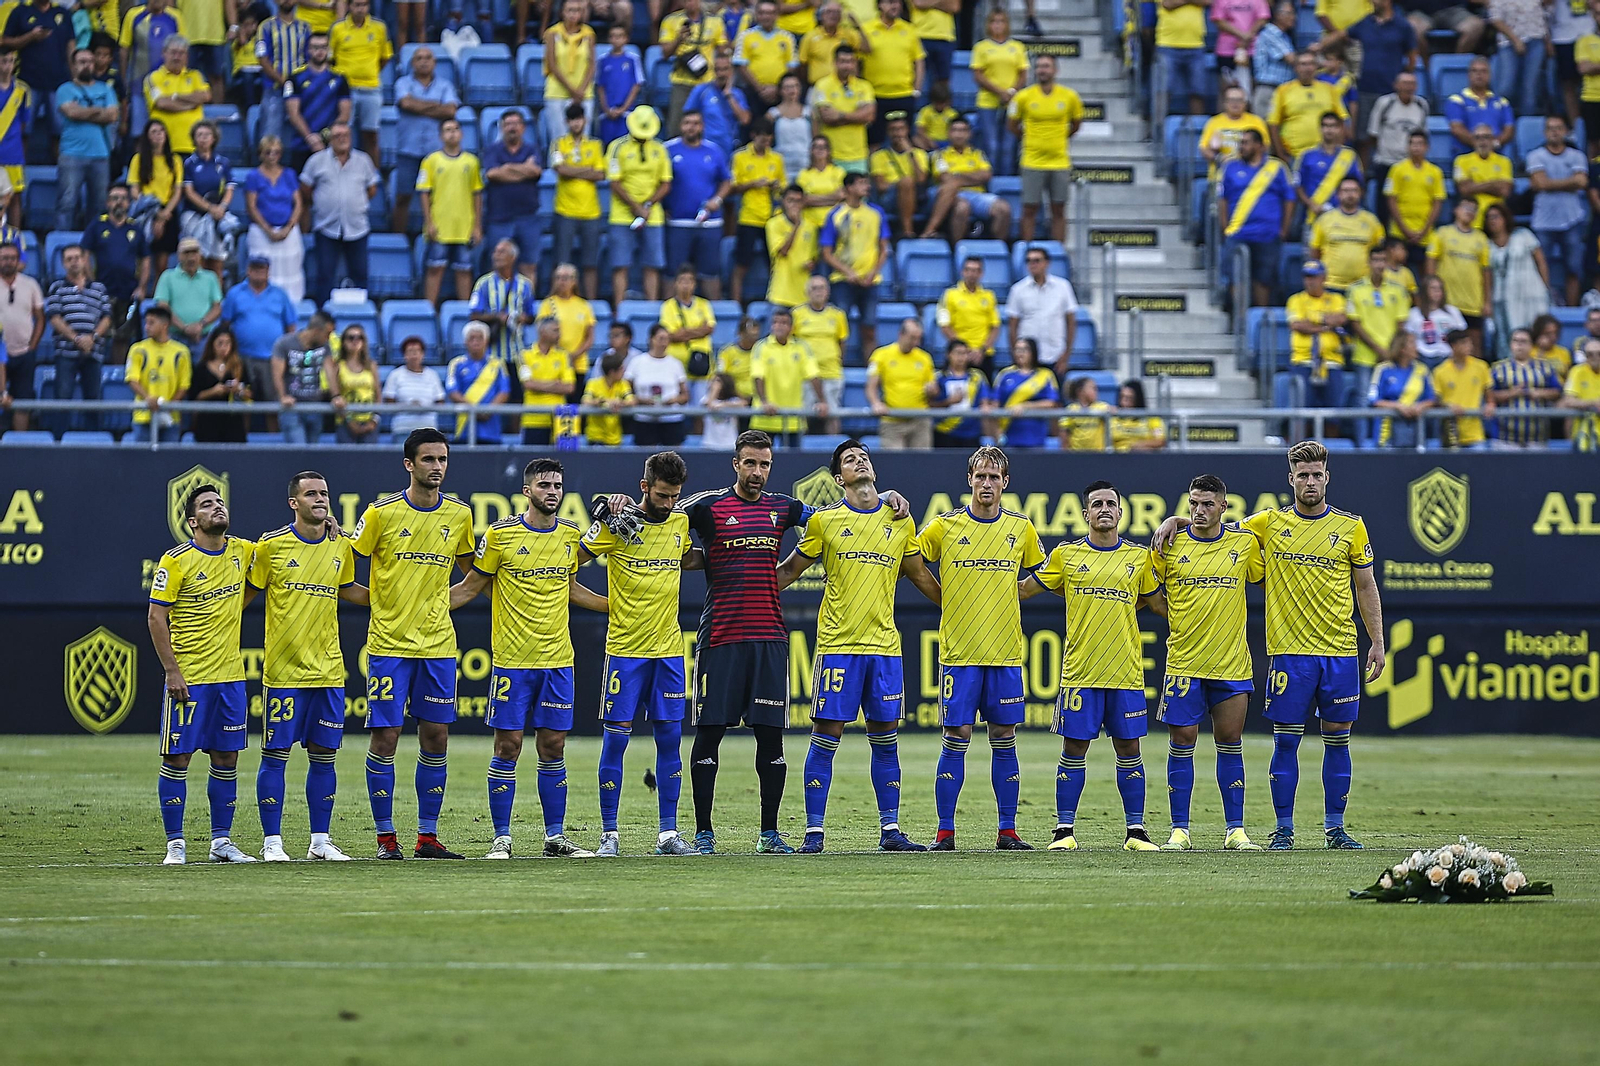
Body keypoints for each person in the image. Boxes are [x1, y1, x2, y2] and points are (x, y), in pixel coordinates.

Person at [1154, 440, 1384, 851]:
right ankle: (1283, 829)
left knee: (1337, 736)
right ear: (1290, 479)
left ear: (1326, 477)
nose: (1309, 481)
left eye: (1316, 475)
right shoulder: (1266, 523)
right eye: (1302, 475)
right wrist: (1176, 518)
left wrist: (1377, 641)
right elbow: (1211, 526)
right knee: (1286, 740)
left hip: (1340, 651)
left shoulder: (1353, 526)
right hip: (1289, 651)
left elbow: (1366, 585)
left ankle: (1334, 828)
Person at [681, 431, 894, 853]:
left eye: (764, 464)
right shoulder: (707, 507)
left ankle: (769, 834)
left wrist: (885, 494)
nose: (757, 471)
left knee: (771, 740)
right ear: (735, 464)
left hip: (769, 638)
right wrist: (619, 505)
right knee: (708, 736)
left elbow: (844, 510)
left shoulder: (785, 509)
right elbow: (662, 512)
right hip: (720, 636)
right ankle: (704, 833)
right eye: (750, 463)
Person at [774, 438, 940, 853]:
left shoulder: (899, 520)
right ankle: (814, 833)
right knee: (825, 735)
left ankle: (890, 831)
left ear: (874, 471)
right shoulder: (824, 522)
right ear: (838, 478)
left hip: (884, 647)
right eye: (850, 460)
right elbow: (790, 571)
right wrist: (743, 589)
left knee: (886, 737)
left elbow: (920, 575)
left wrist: (954, 605)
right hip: (839, 645)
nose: (859, 461)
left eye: (863, 457)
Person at [444, 459, 604, 860]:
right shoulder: (500, 535)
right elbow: (469, 587)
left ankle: (555, 838)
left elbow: (570, 588)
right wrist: (423, 607)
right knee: (508, 746)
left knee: (553, 746)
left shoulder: (570, 537)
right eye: (544, 485)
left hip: (557, 662)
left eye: (558, 485)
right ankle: (501, 838)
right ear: (527, 491)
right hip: (513, 661)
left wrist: (615, 606)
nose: (552, 491)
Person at [352, 429, 478, 860]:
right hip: (388, 646)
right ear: (409, 464)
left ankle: (427, 837)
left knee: (436, 737)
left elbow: (474, 576)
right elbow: (341, 567)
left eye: (442, 459)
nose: (437, 467)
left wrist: (444, 604)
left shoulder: (460, 516)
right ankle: (386, 839)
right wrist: (383, 602)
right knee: (385, 737)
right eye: (428, 460)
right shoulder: (379, 514)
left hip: (439, 647)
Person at [1018, 481, 1162, 852]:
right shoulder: (1066, 555)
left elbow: (1154, 601)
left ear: (1120, 512)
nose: (1104, 509)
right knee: (1073, 749)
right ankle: (1064, 831)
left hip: (1126, 671)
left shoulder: (1139, 557)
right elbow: (1023, 590)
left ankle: (1136, 832)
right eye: (1096, 504)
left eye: (1110, 504)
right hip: (1080, 672)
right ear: (1085, 514)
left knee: (1129, 749)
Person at [572, 453, 703, 857]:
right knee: (615, 743)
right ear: (644, 487)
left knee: (670, 741)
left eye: (675, 496)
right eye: (662, 495)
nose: (668, 504)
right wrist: (608, 605)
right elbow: (567, 565)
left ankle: (668, 834)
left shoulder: (680, 522)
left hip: (668, 652)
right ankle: (609, 834)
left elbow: (692, 557)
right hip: (625, 651)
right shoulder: (615, 524)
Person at [247, 473, 368, 863]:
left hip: (330, 671)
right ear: (293, 503)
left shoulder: (340, 545)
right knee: (275, 755)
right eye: (311, 494)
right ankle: (272, 842)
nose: (320, 499)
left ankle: (320, 841)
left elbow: (350, 589)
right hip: (284, 672)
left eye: (325, 494)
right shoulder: (271, 546)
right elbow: (245, 595)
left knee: (324, 756)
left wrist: (399, 598)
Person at [1145, 473, 1265, 851]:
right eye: (1192, 504)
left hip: (1231, 665)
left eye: (1207, 504)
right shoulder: (1170, 544)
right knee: (1182, 742)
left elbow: (1264, 575)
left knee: (1230, 741)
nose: (1198, 511)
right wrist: (1178, 616)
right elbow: (1149, 593)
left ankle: (1236, 831)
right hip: (1183, 664)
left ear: (1223, 507)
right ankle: (1179, 830)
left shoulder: (1243, 543)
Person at [148, 485, 256, 865]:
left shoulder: (243, 552)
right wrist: (172, 671)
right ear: (193, 522)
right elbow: (156, 617)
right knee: (178, 758)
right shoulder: (175, 560)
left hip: (230, 677)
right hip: (189, 679)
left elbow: (285, 553)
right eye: (208, 505)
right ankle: (175, 844)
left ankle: (221, 843)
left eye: (220, 502)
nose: (218, 508)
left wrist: (328, 526)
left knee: (227, 757)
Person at [300, 121, 379, 304]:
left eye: (346, 135)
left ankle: (360, 316)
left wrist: (353, 203)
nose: (342, 139)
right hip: (326, 226)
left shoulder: (363, 160)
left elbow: (372, 189)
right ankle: (324, 317)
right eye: (337, 136)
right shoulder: (316, 161)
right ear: (330, 139)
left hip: (357, 227)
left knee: (360, 275)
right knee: (325, 275)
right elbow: (305, 189)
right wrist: (325, 202)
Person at [1218, 128, 1295, 307]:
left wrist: (1284, 229)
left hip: (1268, 235)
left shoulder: (1277, 167)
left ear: (1259, 145)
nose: (1241, 147)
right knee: (1235, 279)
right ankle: (1239, 321)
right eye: (1240, 143)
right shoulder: (1230, 167)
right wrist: (1224, 227)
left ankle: (1259, 323)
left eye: (1245, 143)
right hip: (1237, 234)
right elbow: (1223, 199)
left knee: (1264, 281)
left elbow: (1289, 200)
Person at [1009, 53, 1080, 244]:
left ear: (1055, 70)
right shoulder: (1023, 97)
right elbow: (1012, 124)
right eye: (1039, 66)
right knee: (1029, 208)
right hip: (1032, 160)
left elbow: (1076, 123)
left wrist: (1058, 138)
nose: (1042, 70)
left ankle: (1058, 251)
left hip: (1059, 161)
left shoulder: (1069, 96)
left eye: (1046, 66)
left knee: (1058, 209)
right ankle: (1028, 250)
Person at [606, 107, 673, 307]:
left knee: (652, 265)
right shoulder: (617, 147)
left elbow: (666, 182)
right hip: (621, 215)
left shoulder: (660, 149)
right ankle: (619, 310)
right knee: (620, 264)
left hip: (652, 215)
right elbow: (614, 182)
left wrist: (648, 205)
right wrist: (635, 207)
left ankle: (652, 308)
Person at [663, 110, 733, 299]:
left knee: (710, 272)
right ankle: (668, 319)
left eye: (695, 123)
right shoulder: (668, 150)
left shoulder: (714, 151)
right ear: (680, 126)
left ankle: (716, 318)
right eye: (687, 123)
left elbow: (726, 181)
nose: (691, 127)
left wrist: (716, 200)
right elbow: (658, 181)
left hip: (709, 223)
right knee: (673, 273)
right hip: (678, 223)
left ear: (702, 126)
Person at [391, 48, 459, 236]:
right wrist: (437, 106)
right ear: (412, 63)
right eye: (418, 58)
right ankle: (398, 240)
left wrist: (417, 105)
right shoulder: (402, 83)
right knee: (403, 197)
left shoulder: (445, 85)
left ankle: (438, 236)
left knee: (437, 199)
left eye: (428, 58)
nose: (423, 62)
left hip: (436, 153)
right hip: (408, 150)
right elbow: (406, 104)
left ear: (434, 62)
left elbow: (450, 111)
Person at [45, 245, 114, 433]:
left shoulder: (99, 288)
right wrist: (77, 338)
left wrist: (93, 338)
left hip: (93, 351)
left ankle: (94, 441)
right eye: (69, 259)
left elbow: (107, 318)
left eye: (77, 257)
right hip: (66, 353)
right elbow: (55, 318)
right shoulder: (56, 287)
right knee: (62, 399)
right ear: (63, 263)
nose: (74, 261)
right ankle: (59, 442)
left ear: (85, 260)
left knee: (93, 400)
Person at [418, 117, 483, 307]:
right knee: (435, 268)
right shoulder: (431, 161)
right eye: (447, 129)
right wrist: (429, 222)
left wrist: (477, 226)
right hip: (440, 225)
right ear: (440, 136)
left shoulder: (471, 162)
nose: (452, 133)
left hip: (464, 226)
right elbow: (424, 193)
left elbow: (477, 194)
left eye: (455, 129)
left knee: (464, 270)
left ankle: (466, 311)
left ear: (461, 134)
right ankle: (428, 310)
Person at [1525, 114, 1589, 307]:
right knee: (1540, 268)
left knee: (1574, 269)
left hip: (1572, 219)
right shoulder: (1535, 155)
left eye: (1558, 128)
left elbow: (1582, 182)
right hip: (1543, 221)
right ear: (1544, 132)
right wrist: (1569, 182)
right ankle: (1543, 306)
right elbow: (1539, 183)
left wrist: (1549, 183)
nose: (1554, 132)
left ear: (1566, 132)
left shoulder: (1577, 155)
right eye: (1550, 128)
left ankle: (1571, 308)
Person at [56, 48, 119, 235]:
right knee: (67, 202)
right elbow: (71, 113)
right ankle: (62, 240)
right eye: (82, 61)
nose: (87, 65)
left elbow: (113, 115)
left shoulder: (106, 88)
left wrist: (83, 112)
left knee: (99, 204)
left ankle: (94, 242)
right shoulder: (65, 89)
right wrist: (99, 111)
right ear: (73, 65)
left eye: (90, 61)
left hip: (100, 154)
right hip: (71, 154)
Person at [549, 105, 606, 300]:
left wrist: (571, 169)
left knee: (590, 263)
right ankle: (557, 301)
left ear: (585, 120)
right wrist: (585, 170)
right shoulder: (558, 144)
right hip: (565, 210)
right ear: (566, 122)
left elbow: (600, 174)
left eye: (579, 119)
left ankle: (590, 302)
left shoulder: (595, 145)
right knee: (561, 261)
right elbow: (560, 170)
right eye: (572, 120)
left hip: (591, 212)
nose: (576, 123)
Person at [820, 170, 889, 328]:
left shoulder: (876, 213)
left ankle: (870, 354)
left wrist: (873, 272)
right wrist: (848, 272)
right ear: (849, 187)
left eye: (866, 182)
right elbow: (826, 253)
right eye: (861, 183)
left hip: (870, 280)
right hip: (842, 280)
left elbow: (884, 248)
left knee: (870, 328)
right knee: (839, 328)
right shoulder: (835, 215)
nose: (867, 186)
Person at [221, 254, 296, 398]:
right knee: (243, 403)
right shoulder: (234, 294)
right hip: (242, 357)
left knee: (272, 404)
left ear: (268, 271)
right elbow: (225, 325)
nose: (258, 271)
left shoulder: (280, 294)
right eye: (254, 268)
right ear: (248, 270)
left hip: (272, 358)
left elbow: (291, 327)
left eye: (262, 268)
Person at [750, 306, 825, 444]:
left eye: (783, 323)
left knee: (794, 463)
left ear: (791, 327)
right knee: (760, 461)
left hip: (794, 418)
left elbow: (813, 375)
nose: (779, 326)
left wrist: (822, 400)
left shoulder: (802, 347)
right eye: (775, 322)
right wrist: (764, 402)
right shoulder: (761, 347)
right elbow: (758, 377)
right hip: (765, 417)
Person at [730, 119, 786, 304]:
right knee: (742, 264)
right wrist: (753, 184)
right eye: (763, 137)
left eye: (769, 137)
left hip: (771, 218)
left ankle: (773, 300)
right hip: (748, 217)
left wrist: (776, 186)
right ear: (754, 136)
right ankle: (736, 304)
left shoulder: (776, 159)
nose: (766, 141)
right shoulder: (740, 157)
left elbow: (783, 187)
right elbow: (733, 187)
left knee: (775, 263)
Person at [1345, 245, 1411, 399]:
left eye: (1382, 260)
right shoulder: (1355, 290)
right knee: (1363, 400)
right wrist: (1379, 350)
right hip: (1364, 356)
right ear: (1368, 262)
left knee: (1390, 398)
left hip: (1391, 354)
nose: (1379, 265)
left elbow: (1400, 323)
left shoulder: (1398, 290)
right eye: (1375, 260)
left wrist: (1391, 350)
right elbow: (1355, 324)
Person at [328, 0, 391, 163]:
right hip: (345, 91)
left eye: (364, 5)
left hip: (371, 88)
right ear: (349, 6)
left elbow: (384, 58)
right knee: (342, 133)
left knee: (371, 136)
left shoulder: (379, 28)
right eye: (356, 4)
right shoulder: (338, 29)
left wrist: (368, 71)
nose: (360, 8)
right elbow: (330, 58)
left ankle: (373, 179)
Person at [1485, 201, 1549, 360]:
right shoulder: (1486, 245)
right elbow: (1486, 275)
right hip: (1503, 296)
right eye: (1488, 218)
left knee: (1535, 330)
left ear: (1505, 218)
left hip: (1531, 291)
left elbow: (1540, 261)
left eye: (1496, 216)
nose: (1492, 220)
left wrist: (1545, 286)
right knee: (1507, 334)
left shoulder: (1523, 235)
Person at [1364, 70, 1428, 229]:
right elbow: (1373, 134)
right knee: (1384, 206)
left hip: (1409, 164)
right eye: (1405, 83)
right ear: (1396, 85)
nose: (1408, 87)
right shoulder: (1385, 103)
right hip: (1386, 162)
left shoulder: (1421, 105)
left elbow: (1422, 135)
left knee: (1407, 203)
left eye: (1412, 84)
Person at [244, 135, 304, 302]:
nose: (272, 156)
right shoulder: (253, 176)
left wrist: (289, 227)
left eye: (276, 152)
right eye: (268, 152)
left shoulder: (289, 174)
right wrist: (267, 229)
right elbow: (252, 206)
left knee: (290, 268)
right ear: (261, 154)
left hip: (288, 231)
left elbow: (298, 203)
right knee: (264, 268)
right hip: (262, 232)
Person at [1003, 245, 1078, 377]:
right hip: (1027, 358)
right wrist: (1016, 356)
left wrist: (1066, 355)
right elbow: (1013, 326)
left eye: (1037, 260)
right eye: (1029, 261)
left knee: (1054, 397)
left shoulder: (1063, 287)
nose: (1032, 264)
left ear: (1047, 263)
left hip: (1055, 356)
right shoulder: (1018, 289)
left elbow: (1071, 322)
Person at [1426, 197, 1491, 347]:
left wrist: (1487, 301)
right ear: (1456, 210)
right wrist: (1431, 292)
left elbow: (1486, 271)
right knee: (1446, 345)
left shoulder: (1481, 238)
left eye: (1474, 209)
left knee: (1474, 346)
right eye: (1466, 207)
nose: (1470, 211)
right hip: (1447, 302)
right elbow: (1431, 261)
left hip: (1473, 302)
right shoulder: (1442, 233)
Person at [179, 121, 241, 276]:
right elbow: (189, 192)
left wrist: (222, 207)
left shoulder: (223, 162)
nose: (203, 139)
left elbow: (229, 187)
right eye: (199, 135)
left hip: (218, 215)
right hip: (195, 215)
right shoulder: (189, 164)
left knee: (217, 263)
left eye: (207, 135)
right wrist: (209, 208)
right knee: (199, 260)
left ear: (214, 138)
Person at [858, 0, 923, 148]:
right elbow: (858, 62)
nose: (895, 6)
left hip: (903, 94)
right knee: (874, 141)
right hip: (876, 95)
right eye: (890, 2)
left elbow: (919, 61)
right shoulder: (867, 29)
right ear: (880, 5)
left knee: (904, 140)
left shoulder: (909, 29)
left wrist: (917, 89)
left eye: (898, 3)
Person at [971, 8, 1028, 176]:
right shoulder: (981, 47)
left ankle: (1006, 184)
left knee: (1008, 147)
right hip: (987, 102)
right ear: (988, 25)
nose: (997, 25)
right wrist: (999, 92)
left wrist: (1011, 91)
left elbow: (1023, 73)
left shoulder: (1017, 47)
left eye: (1001, 21)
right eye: (994, 21)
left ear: (1007, 24)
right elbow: (978, 75)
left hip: (1012, 102)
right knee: (992, 145)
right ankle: (991, 184)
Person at [283, 31, 351, 171]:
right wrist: (310, 138)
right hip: (301, 144)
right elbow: (293, 113)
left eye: (323, 47)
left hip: (331, 146)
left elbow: (344, 113)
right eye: (315, 47)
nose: (319, 51)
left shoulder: (340, 79)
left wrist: (324, 137)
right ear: (308, 50)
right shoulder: (295, 79)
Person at [1286, 261, 1350, 406]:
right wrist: (1325, 325)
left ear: (1323, 278)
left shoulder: (1336, 299)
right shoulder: (1296, 300)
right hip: (1303, 360)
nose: (1310, 281)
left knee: (1334, 414)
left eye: (1314, 277)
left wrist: (1313, 320)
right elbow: (1297, 325)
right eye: (1307, 277)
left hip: (1332, 360)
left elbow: (1340, 318)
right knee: (1302, 411)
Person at [659, 0, 727, 138]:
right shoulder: (670, 20)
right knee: (676, 127)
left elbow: (723, 51)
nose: (690, 3)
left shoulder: (715, 21)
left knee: (709, 125)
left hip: (707, 82)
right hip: (681, 81)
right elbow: (665, 54)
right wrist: (679, 39)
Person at [866, 316, 935, 448]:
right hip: (892, 421)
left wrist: (932, 390)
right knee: (894, 464)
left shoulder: (925, 358)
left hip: (919, 421)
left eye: (918, 338)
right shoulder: (881, 355)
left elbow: (933, 388)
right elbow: (871, 386)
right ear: (901, 335)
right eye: (912, 338)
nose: (916, 342)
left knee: (923, 464)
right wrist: (876, 403)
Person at [469, 237, 537, 370]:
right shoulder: (483, 284)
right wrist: (497, 317)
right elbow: (474, 316)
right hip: (490, 354)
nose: (496, 256)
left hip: (517, 353)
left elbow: (531, 316)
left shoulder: (526, 285)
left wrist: (522, 318)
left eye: (501, 252)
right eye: (495, 252)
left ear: (512, 257)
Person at [1268, 51, 1348, 163]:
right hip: (1294, 155)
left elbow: (1342, 119)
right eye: (1303, 64)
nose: (1307, 68)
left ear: (1316, 67)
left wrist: (1338, 148)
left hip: (1326, 154)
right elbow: (1273, 123)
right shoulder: (1282, 91)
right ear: (1296, 68)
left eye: (1311, 64)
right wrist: (1281, 154)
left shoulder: (1330, 89)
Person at [126, 305, 191, 441]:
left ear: (165, 325)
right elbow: (132, 379)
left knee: (169, 461)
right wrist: (148, 398)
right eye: (146, 322)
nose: (146, 327)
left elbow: (184, 385)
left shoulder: (181, 352)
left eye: (151, 323)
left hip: (170, 418)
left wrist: (168, 407)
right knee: (142, 460)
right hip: (143, 415)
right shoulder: (138, 349)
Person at [1382, 129, 1444, 271]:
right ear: (1407, 146)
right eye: (1412, 143)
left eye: (1420, 143)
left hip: (1425, 232)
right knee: (1397, 270)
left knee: (1425, 273)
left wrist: (1424, 230)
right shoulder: (1397, 169)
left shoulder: (1435, 172)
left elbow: (1437, 202)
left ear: (1427, 147)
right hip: (1400, 232)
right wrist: (1404, 229)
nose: (1416, 147)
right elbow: (1391, 199)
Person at [1489, 327, 1562, 448]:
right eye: (1515, 341)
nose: (1519, 345)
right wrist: (1512, 393)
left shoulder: (1545, 368)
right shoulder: (1498, 368)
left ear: (1531, 345)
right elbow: (1489, 396)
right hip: (1504, 438)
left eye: (1523, 341)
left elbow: (1558, 392)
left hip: (1537, 437)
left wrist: (1538, 393)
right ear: (1510, 344)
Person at [270, 309, 335, 444]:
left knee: (312, 456)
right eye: (327, 334)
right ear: (316, 330)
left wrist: (336, 396)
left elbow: (330, 371)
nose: (328, 338)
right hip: (292, 407)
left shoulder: (325, 347)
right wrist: (283, 397)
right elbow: (277, 374)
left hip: (315, 407)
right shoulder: (284, 343)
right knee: (299, 450)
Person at [1309, 176, 1383, 292]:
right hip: (1331, 285)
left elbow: (1379, 253)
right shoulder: (1324, 220)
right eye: (1346, 191)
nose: (1350, 194)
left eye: (1354, 190)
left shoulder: (1372, 221)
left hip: (1363, 286)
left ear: (1361, 194)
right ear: (1338, 194)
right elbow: (1315, 253)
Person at [811, 44, 875, 175]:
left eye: (850, 62)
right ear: (835, 62)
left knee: (858, 194)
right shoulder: (823, 85)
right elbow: (827, 117)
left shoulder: (864, 86)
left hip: (858, 156)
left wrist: (840, 115)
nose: (847, 66)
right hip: (832, 156)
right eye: (843, 62)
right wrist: (857, 116)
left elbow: (869, 116)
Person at [129, 119, 183, 274]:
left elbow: (177, 190)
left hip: (168, 210)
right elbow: (134, 190)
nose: (158, 135)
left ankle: (158, 294)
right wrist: (153, 212)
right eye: (154, 132)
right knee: (141, 255)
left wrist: (164, 214)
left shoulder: (175, 160)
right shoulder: (138, 159)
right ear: (147, 136)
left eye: (161, 131)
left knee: (162, 258)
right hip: (145, 209)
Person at [793, 274, 847, 424]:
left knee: (833, 414)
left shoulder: (838, 315)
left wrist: (837, 360)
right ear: (807, 292)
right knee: (801, 415)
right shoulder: (796, 314)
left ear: (828, 291)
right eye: (814, 288)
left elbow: (842, 342)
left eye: (822, 288)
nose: (818, 291)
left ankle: (837, 445)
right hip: (804, 374)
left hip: (831, 372)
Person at [541, 0, 595, 150]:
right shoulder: (552, 33)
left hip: (583, 93)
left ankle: (582, 171)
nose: (573, 14)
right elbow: (551, 64)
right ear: (562, 13)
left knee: (583, 138)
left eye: (577, 10)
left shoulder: (589, 34)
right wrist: (572, 90)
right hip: (557, 92)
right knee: (559, 138)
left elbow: (591, 64)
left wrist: (580, 90)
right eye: (570, 10)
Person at [1365, 328, 1434, 446]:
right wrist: (1397, 406)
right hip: (1386, 432)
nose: (1416, 347)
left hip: (1416, 429)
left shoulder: (1422, 370)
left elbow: (1431, 398)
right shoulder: (1383, 369)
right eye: (1412, 343)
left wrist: (1420, 406)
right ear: (1402, 348)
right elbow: (1373, 400)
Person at [253, 0, 310, 143]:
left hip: (301, 91)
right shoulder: (265, 27)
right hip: (274, 89)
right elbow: (262, 58)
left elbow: (310, 58)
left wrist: (298, 83)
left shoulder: (305, 28)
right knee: (271, 135)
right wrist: (283, 81)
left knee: (304, 134)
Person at [517, 315, 578, 445]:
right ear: (542, 332)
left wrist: (539, 385)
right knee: (534, 462)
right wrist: (555, 384)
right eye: (555, 330)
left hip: (561, 419)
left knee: (563, 462)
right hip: (533, 418)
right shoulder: (525, 355)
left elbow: (569, 387)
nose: (559, 334)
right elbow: (528, 384)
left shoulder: (564, 356)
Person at [626, 323, 690, 445]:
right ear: (651, 339)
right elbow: (625, 390)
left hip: (671, 419)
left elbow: (685, 396)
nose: (664, 343)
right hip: (644, 419)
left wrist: (673, 400)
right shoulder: (637, 362)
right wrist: (641, 400)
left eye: (667, 339)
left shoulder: (676, 364)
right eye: (661, 339)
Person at [154, 237, 222, 352]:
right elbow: (162, 306)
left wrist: (201, 325)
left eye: (194, 253)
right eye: (186, 253)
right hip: (174, 337)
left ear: (200, 255)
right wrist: (184, 328)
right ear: (179, 256)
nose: (191, 258)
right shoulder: (167, 277)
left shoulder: (210, 277)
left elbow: (217, 307)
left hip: (203, 338)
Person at [446, 320, 509, 443]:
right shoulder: (456, 364)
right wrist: (473, 411)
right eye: (472, 338)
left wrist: (488, 411)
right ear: (465, 342)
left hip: (491, 429)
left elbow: (504, 392)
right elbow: (453, 392)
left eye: (480, 338)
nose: (476, 342)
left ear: (487, 341)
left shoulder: (498, 364)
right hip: (464, 426)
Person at [1296, 112, 1364, 225]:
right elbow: (1298, 186)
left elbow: (1359, 186)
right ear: (1320, 128)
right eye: (1325, 125)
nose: (1329, 130)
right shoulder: (1307, 156)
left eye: (1333, 126)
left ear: (1340, 129)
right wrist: (1311, 205)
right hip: (1313, 215)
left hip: (1342, 217)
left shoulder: (1350, 156)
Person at [0, 241, 41, 430]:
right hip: (1, 353)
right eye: (4, 258)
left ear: (18, 261)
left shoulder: (30, 284)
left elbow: (41, 318)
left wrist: (32, 347)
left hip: (24, 352)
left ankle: (19, 444)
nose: (8, 262)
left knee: (22, 403)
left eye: (12, 258)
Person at [1430, 326, 1493, 447]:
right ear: (1453, 346)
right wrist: (1448, 405)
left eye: (1470, 343)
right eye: (1464, 343)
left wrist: (1490, 404)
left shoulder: (1481, 367)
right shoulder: (1440, 371)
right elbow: (1436, 400)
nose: (1469, 347)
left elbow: (1489, 393)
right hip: (1451, 431)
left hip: (1475, 432)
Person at [186, 327, 251, 442]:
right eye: (220, 343)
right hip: (207, 423)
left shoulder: (239, 366)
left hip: (233, 423)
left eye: (227, 343)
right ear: (212, 344)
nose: (224, 348)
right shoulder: (201, 368)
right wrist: (213, 392)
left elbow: (251, 393)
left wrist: (239, 389)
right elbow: (194, 396)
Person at [537, 262, 596, 389]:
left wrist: (574, 355)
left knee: (574, 405)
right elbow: (542, 332)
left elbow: (589, 337)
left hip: (578, 363)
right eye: (557, 278)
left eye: (565, 278)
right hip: (554, 362)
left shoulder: (584, 306)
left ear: (574, 281)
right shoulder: (548, 304)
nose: (561, 282)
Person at [658, 264, 716, 390]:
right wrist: (699, 330)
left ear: (695, 284)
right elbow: (671, 335)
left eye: (690, 281)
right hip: (676, 365)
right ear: (675, 284)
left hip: (700, 363)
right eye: (682, 281)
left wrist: (685, 332)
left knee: (700, 406)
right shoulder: (667, 306)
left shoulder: (704, 304)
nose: (686, 285)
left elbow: (709, 329)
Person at [994, 337, 1059, 449]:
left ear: (1033, 352)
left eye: (1024, 350)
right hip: (1009, 436)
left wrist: (1026, 406)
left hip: (1036, 437)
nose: (1020, 353)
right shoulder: (1004, 375)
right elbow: (994, 403)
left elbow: (1052, 403)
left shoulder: (1046, 375)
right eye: (1017, 349)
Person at [687, 51, 751, 160]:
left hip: (731, 148)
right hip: (706, 147)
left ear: (732, 71)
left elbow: (745, 119)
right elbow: (689, 117)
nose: (721, 74)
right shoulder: (701, 91)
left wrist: (729, 95)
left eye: (725, 69)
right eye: (718, 69)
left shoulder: (738, 94)